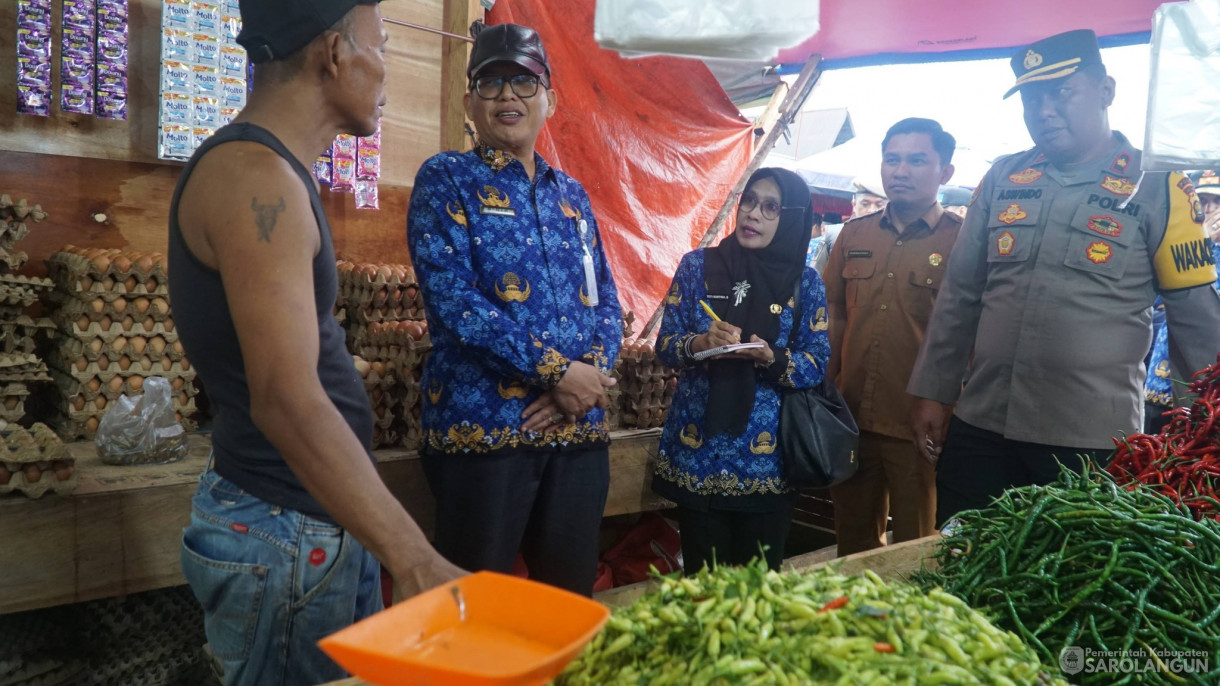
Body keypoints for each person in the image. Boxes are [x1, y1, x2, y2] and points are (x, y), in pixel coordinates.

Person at [169, 2, 462, 684]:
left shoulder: (269, 172)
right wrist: (412, 555)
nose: (386, 69)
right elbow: (287, 400)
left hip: (309, 526)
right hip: (284, 532)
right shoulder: (254, 182)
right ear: (333, 53)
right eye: (382, 45)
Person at [908, 30, 1220, 526]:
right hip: (982, 428)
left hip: (1092, 443)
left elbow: (1195, 320)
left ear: (1106, 91)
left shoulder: (1161, 185)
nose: (1044, 109)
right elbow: (960, 295)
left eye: (1061, 92)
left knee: (1068, 588)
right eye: (1032, 98)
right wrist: (934, 390)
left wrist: (1206, 429)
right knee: (958, 565)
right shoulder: (1003, 177)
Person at [406, 22, 622, 597]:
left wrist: (586, 381)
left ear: (550, 99)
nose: (508, 96)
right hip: (485, 438)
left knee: (566, 607)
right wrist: (558, 373)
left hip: (578, 434)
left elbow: (606, 301)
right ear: (469, 100)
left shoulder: (572, 196)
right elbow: (454, 304)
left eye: (524, 84)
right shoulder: (446, 179)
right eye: (491, 82)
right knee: (473, 609)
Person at [652, 168, 831, 572]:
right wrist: (700, 343)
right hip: (699, 455)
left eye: (771, 208)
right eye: (749, 201)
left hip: (768, 464)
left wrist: (771, 358)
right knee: (702, 587)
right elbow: (665, 345)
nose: (754, 214)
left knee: (757, 592)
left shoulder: (806, 283)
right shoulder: (698, 266)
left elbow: (817, 362)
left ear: (794, 217)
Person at [825, 118, 961, 555]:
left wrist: (948, 403)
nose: (900, 170)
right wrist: (824, 389)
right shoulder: (854, 234)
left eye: (916, 160)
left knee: (916, 549)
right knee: (852, 546)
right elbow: (833, 315)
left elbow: (970, 336)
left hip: (918, 425)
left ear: (945, 173)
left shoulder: (962, 242)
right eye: (892, 159)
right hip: (850, 420)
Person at [1143, 170, 1220, 432]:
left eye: (1216, 201)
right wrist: (1202, 241)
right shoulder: (1172, 239)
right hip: (1160, 379)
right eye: (1202, 200)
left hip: (1207, 381)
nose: (1208, 208)